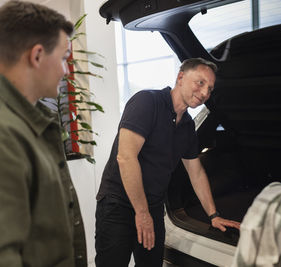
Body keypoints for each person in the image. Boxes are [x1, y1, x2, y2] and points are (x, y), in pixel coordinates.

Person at [95, 57, 241, 267]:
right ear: (180, 77)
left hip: (152, 206)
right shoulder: (147, 102)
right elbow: (126, 158)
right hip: (118, 204)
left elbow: (196, 171)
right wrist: (141, 213)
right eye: (200, 83)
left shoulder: (187, 126)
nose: (204, 93)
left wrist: (214, 215)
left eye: (209, 89)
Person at [0, 1, 87, 266]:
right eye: (63, 58)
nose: (66, 70)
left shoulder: (30, 122)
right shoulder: (6, 134)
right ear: (37, 55)